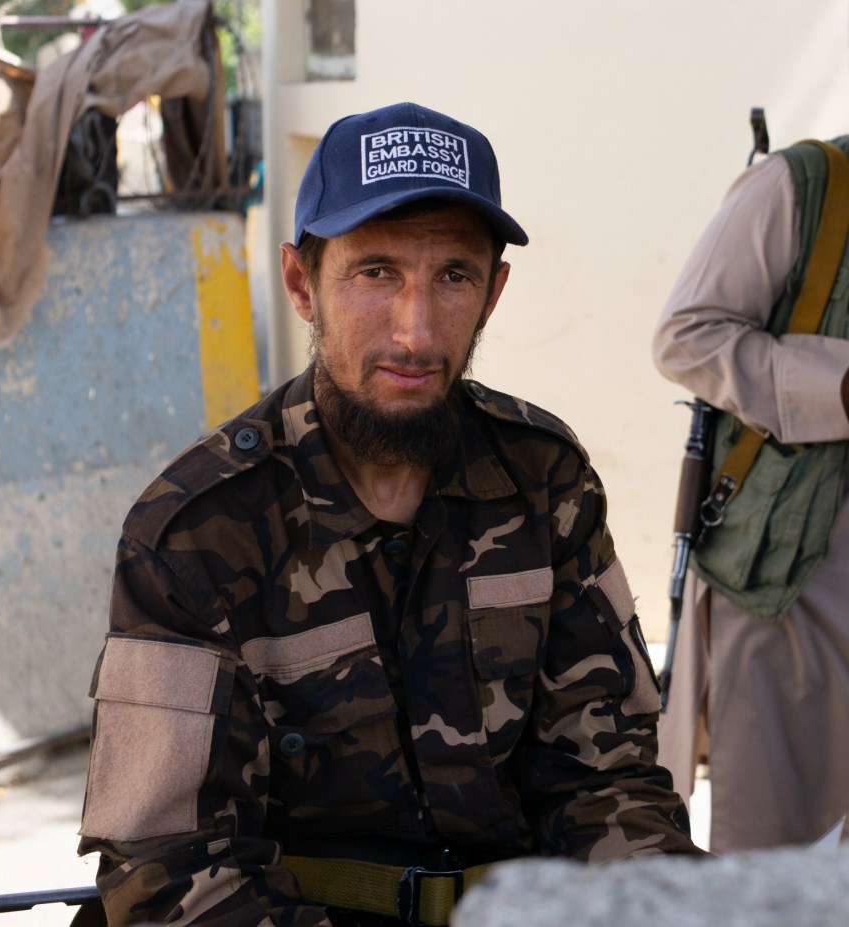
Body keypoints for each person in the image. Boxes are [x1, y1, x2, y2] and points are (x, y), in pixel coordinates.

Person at [77, 101, 702, 927]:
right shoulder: (195, 532)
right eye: (376, 273)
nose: (415, 330)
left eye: (453, 276)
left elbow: (610, 781)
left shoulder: (544, 478)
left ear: (493, 292)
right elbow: (168, 872)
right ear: (303, 283)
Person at [653, 134, 849, 854]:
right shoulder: (802, 187)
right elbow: (685, 337)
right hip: (786, 586)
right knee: (776, 872)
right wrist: (837, 386)